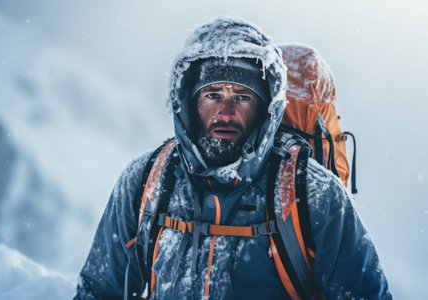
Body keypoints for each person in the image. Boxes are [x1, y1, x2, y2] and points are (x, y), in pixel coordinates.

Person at [74, 16, 391, 300]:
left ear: (265, 108)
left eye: (242, 96)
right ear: (189, 102)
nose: (225, 112)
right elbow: (98, 291)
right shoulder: (147, 180)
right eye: (213, 95)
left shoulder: (311, 192)